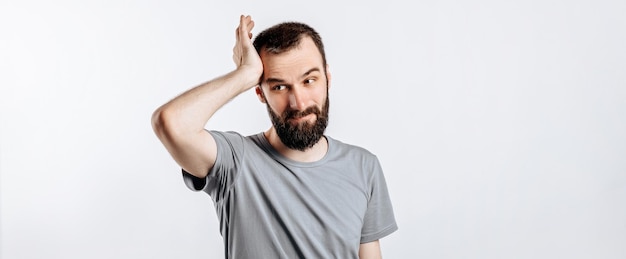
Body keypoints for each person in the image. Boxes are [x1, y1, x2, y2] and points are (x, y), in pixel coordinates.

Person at [152, 15, 397, 258]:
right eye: (279, 86)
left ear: (328, 78)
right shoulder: (234, 162)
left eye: (309, 80)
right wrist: (245, 74)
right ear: (260, 92)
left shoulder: (364, 166)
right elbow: (171, 123)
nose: (299, 103)